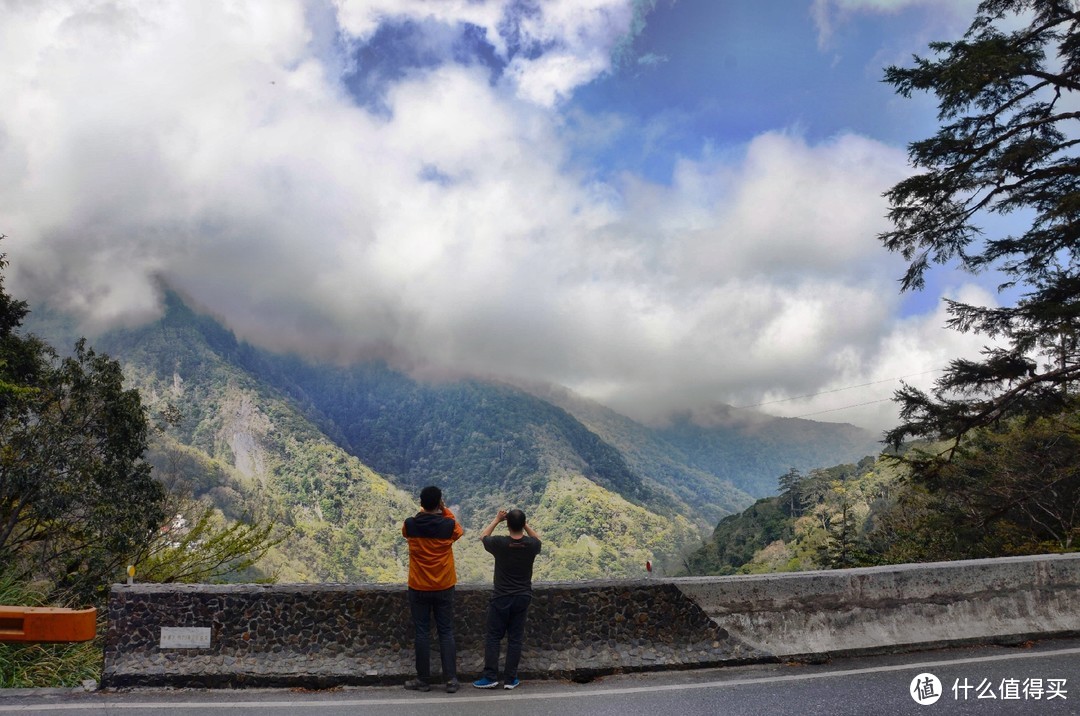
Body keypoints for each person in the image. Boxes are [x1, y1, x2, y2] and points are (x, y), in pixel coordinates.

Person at [402, 485, 464, 693]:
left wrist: (424, 511)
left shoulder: (410, 525)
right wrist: (443, 509)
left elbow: (406, 531)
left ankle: (423, 680)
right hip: (444, 586)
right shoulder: (448, 526)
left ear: (420, 503)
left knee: (422, 633)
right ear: (439, 503)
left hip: (418, 586)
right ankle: (451, 680)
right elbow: (459, 531)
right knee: (445, 631)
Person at [473, 508, 542, 690]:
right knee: (515, 639)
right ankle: (510, 679)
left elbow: (483, 536)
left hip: (501, 597)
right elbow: (538, 540)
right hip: (522, 596)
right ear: (523, 524)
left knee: (494, 637)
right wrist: (524, 524)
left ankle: (490, 677)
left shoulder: (500, 543)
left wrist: (497, 520)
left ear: (508, 524)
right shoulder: (531, 546)